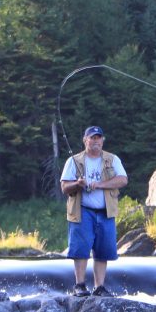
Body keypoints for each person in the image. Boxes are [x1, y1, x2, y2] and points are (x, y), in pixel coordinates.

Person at [60, 126, 128, 297]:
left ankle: (99, 288)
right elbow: (64, 187)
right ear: (85, 140)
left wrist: (99, 185)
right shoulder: (73, 161)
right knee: (80, 249)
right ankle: (80, 285)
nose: (96, 141)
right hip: (82, 210)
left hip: (105, 211)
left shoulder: (112, 159)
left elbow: (122, 180)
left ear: (103, 140)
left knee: (103, 250)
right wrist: (78, 184)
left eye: (99, 138)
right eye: (92, 138)